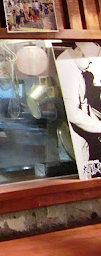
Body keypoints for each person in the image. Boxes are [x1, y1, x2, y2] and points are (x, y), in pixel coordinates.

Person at [55, 41, 101, 178]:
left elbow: (84, 104)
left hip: (79, 135)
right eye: (90, 62)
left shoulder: (76, 66)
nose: (89, 67)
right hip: (72, 136)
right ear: (79, 52)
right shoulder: (66, 67)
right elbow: (73, 113)